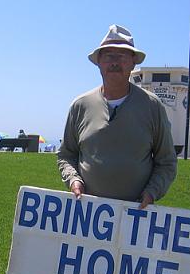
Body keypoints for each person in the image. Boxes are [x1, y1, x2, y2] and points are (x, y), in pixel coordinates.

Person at [57, 24, 177, 208]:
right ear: (98, 62)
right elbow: (66, 154)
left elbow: (166, 162)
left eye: (122, 56)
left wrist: (151, 192)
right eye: (108, 56)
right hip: (87, 214)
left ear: (133, 62)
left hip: (136, 215)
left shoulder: (152, 106)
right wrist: (73, 180)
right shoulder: (80, 105)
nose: (114, 62)